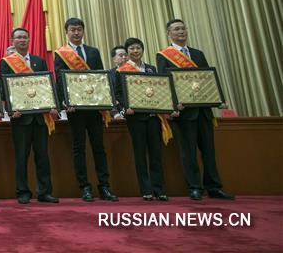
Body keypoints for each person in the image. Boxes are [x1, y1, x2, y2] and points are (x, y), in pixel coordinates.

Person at [157, 19, 234, 201]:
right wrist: (174, 104)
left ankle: (214, 187)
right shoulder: (164, 55)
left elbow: (207, 79)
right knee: (188, 152)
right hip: (183, 113)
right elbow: (165, 83)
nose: (181, 31)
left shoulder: (198, 54)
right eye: (177, 29)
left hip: (204, 111)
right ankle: (194, 187)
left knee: (208, 151)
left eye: (183, 28)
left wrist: (217, 100)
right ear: (169, 33)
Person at [54, 18, 118, 202]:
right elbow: (60, 79)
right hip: (75, 109)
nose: (76, 33)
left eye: (79, 29)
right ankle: (84, 187)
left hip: (94, 107)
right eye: (73, 30)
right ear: (67, 32)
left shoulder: (93, 52)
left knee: (99, 147)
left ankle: (104, 186)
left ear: (83, 31)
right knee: (79, 148)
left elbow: (100, 78)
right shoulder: (61, 54)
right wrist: (65, 102)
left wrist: (105, 100)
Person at [0, 27, 59, 204]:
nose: (22, 40)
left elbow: (48, 85)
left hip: (40, 116)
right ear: (12, 41)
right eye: (18, 38)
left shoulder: (39, 61)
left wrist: (52, 105)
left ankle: (45, 192)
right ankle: (23, 191)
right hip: (20, 117)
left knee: (42, 156)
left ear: (29, 40)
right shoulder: (6, 62)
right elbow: (3, 87)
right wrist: (11, 109)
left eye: (25, 37)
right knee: (21, 156)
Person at [115, 37, 169, 201]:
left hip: (153, 117)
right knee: (140, 154)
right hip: (136, 118)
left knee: (156, 154)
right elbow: (118, 93)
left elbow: (161, 90)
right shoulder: (122, 70)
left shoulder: (151, 69)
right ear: (127, 52)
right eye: (132, 48)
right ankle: (146, 190)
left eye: (138, 48)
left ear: (143, 50)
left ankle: (159, 190)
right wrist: (125, 107)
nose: (135, 51)